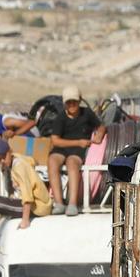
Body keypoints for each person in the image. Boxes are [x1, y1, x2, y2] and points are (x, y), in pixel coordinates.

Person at [0, 138, 53, 251]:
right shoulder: (16, 158)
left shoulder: (18, 166)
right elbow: (32, 160)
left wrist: (25, 220)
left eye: (4, 156)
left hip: (36, 206)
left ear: (10, 152)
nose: (3, 161)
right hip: (24, 202)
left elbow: (27, 195)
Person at [40, 86, 100, 216]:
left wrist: (99, 136)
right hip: (62, 148)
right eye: (68, 102)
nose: (72, 105)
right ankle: (59, 203)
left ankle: (72, 204)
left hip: (77, 151)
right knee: (52, 161)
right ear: (65, 103)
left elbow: (101, 126)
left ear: (79, 101)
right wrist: (78, 142)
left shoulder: (87, 114)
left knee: (72, 163)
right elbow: (55, 140)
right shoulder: (60, 118)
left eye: (74, 101)